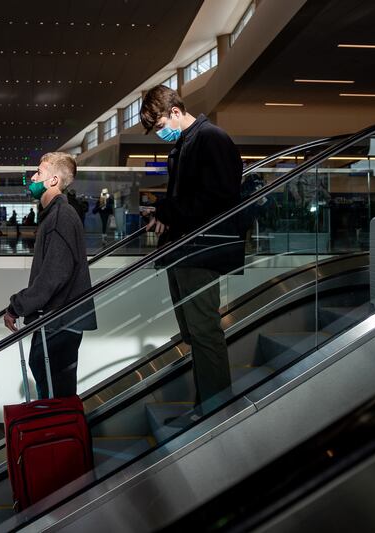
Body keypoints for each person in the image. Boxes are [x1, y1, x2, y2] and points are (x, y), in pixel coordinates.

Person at [139, 84, 243, 414]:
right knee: (194, 332)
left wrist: (169, 211)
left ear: (175, 112)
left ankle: (215, 409)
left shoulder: (211, 138)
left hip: (203, 250)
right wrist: (165, 214)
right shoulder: (187, 143)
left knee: (203, 330)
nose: (160, 134)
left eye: (159, 127)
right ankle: (207, 404)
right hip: (187, 249)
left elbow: (220, 197)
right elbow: (193, 198)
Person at [4, 152, 97, 399]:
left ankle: (65, 438)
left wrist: (16, 307)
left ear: (54, 180)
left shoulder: (60, 218)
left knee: (58, 399)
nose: (32, 177)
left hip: (59, 324)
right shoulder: (55, 216)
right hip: (57, 322)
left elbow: (52, 278)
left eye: (38, 173)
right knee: (56, 395)